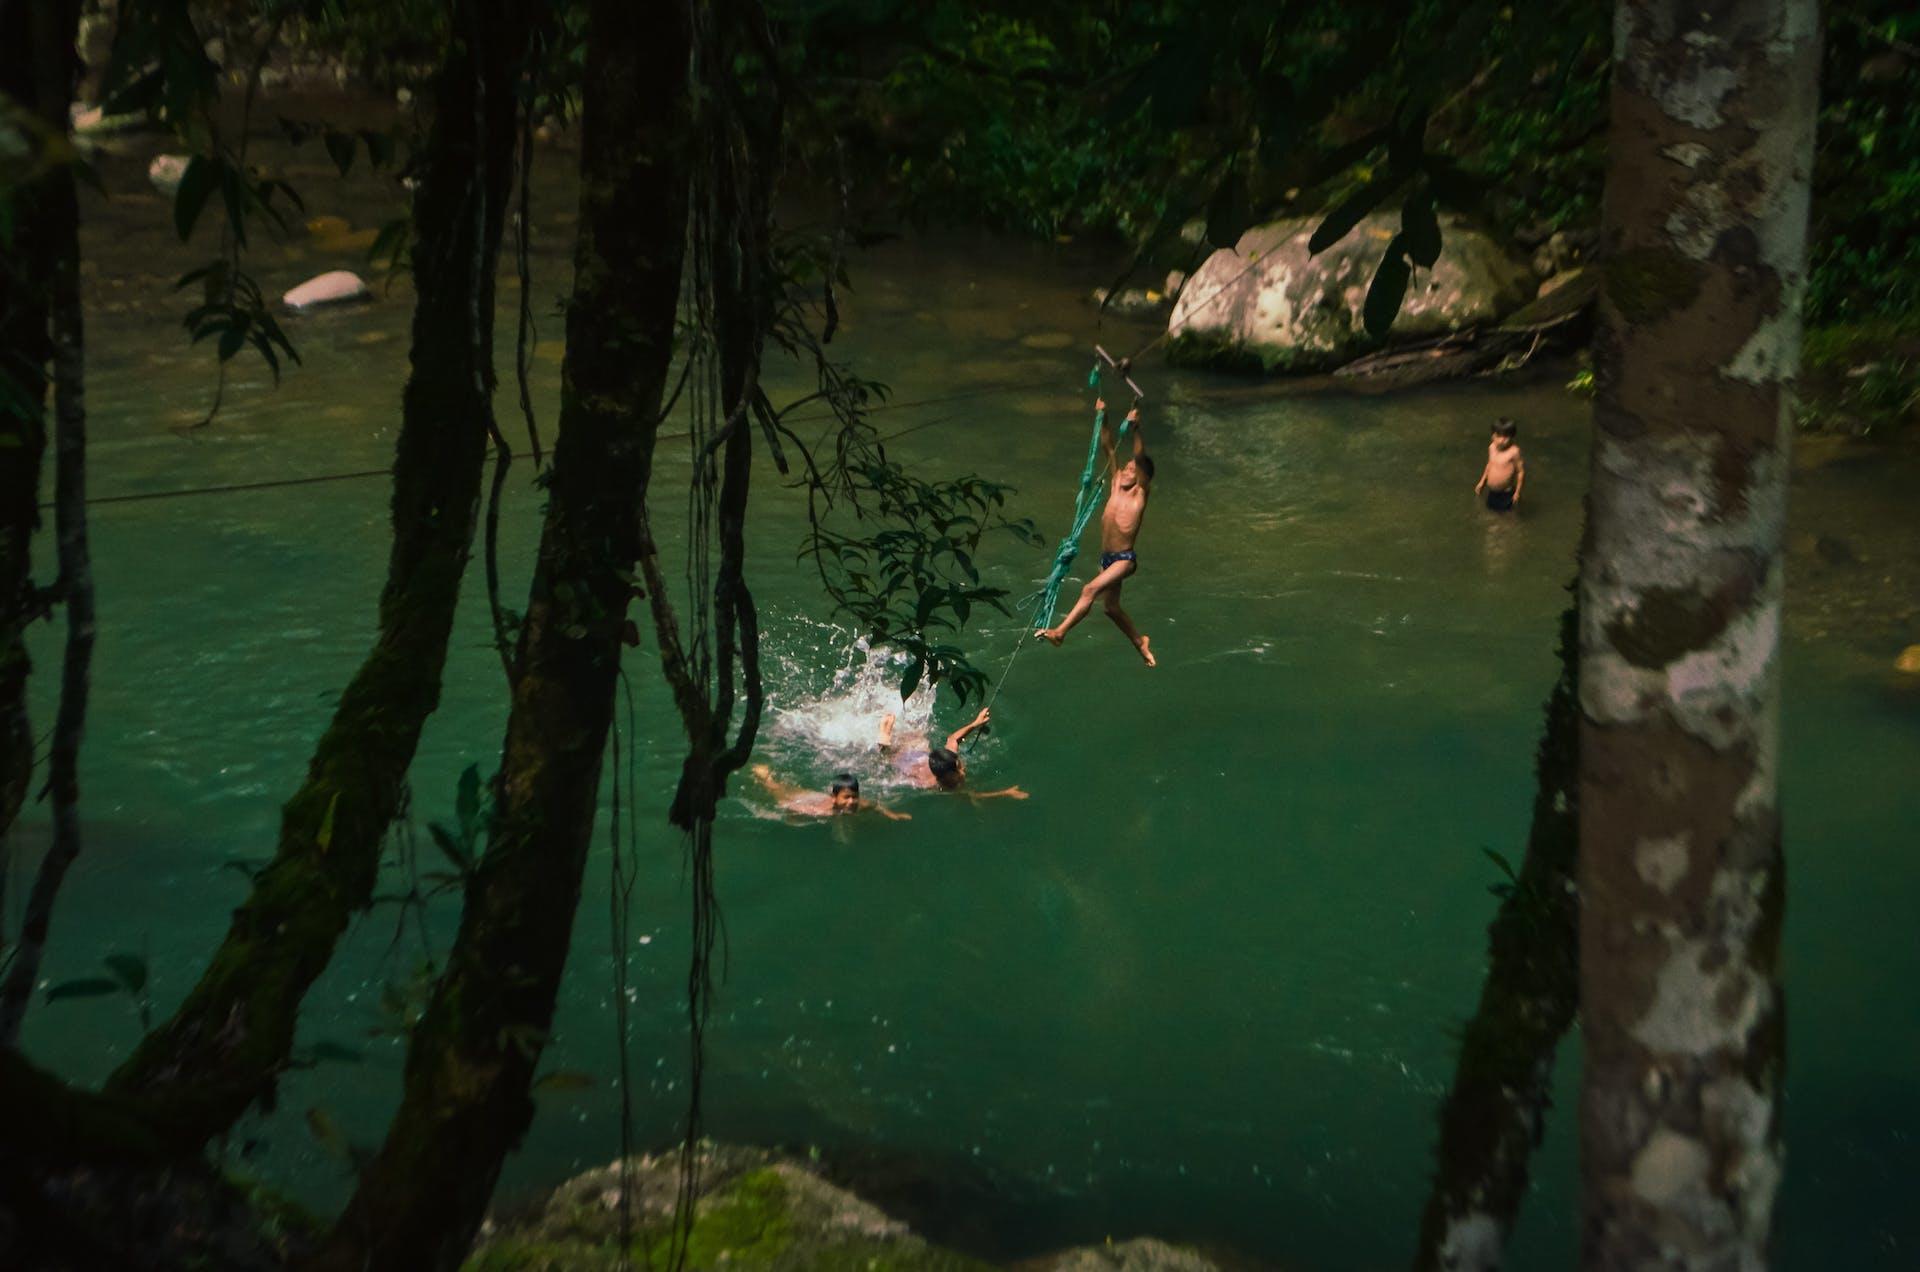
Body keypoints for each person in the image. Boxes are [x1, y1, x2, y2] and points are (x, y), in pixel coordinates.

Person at [1036, 399, 1157, 666]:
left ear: (1141, 477)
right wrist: (1102, 416)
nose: (1126, 470)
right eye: (1124, 468)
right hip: (1107, 559)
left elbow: (1140, 459)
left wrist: (1136, 429)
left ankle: (1060, 632)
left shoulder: (1140, 493)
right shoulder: (1115, 484)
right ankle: (1140, 642)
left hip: (1125, 559)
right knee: (1111, 608)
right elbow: (1108, 446)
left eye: (1132, 469)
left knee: (1089, 589)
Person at [878, 707, 1029, 799]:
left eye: (958, 765)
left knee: (919, 736)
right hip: (907, 762)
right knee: (888, 756)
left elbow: (953, 739)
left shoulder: (949, 759)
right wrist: (1005, 793)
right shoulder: (931, 784)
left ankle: (887, 732)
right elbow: (971, 796)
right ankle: (884, 736)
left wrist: (976, 724)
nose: (961, 770)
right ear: (945, 777)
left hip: (918, 754)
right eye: (957, 770)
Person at [750, 765, 910, 820]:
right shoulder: (822, 811)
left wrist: (892, 815)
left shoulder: (859, 804)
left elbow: (876, 806)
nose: (851, 802)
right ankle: (765, 776)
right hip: (808, 801)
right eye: (846, 797)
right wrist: (792, 816)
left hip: (817, 797)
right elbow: (788, 806)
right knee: (777, 789)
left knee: (792, 788)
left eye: (854, 797)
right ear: (834, 798)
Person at [1474, 417, 1525, 512]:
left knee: (1507, 515)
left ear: (1512, 437)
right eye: (1498, 436)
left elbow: (1520, 472)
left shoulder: (1514, 452)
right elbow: (1489, 465)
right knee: (1491, 512)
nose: (1501, 440)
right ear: (1492, 435)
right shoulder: (1492, 448)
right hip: (1492, 491)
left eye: (1505, 437)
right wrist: (1482, 482)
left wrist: (1517, 492)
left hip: (1506, 492)